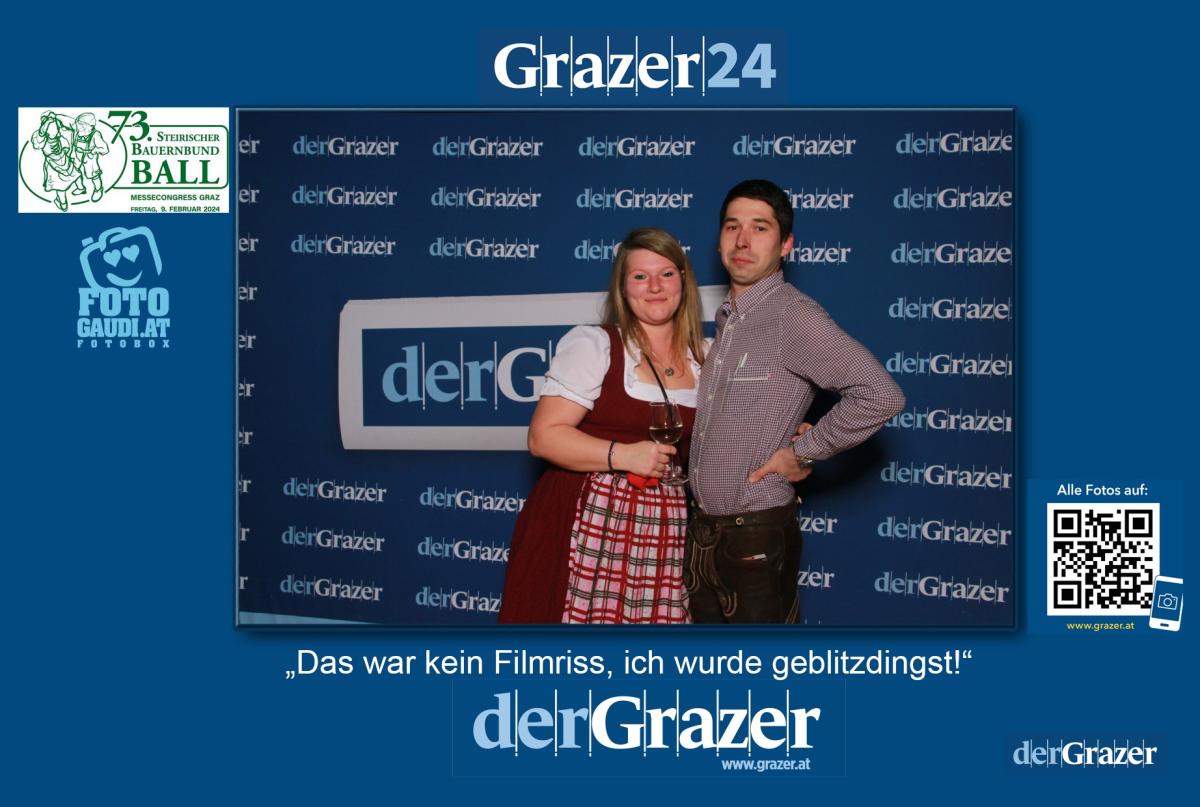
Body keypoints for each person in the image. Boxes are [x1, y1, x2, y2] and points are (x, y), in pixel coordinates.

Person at [686, 179, 906, 624]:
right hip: (705, 533)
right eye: (732, 227)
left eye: (760, 228)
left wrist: (803, 450)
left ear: (786, 244)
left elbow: (880, 394)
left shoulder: (792, 315)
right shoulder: (729, 318)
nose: (742, 240)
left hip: (753, 534)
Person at [499, 228, 706, 624]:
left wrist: (797, 433)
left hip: (665, 525)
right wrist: (624, 455)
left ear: (683, 280)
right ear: (623, 288)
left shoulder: (704, 357)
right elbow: (543, 437)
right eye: (640, 276)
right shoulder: (596, 345)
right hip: (590, 520)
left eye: (666, 274)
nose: (655, 287)